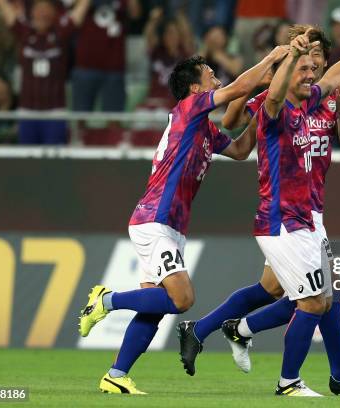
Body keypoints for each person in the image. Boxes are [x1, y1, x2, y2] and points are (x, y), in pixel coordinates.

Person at [179, 20, 340, 397]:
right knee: (313, 300)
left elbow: (333, 84)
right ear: (286, 70)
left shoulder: (314, 100)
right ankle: (289, 380)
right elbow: (242, 114)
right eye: (306, 66)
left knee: (318, 296)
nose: (313, 73)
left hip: (307, 218)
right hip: (283, 221)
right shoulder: (272, 107)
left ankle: (238, 333)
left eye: (316, 66)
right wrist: (289, 57)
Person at [77, 46, 290, 395]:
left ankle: (116, 374)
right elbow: (237, 88)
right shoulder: (189, 109)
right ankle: (106, 300)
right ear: (195, 88)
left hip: (171, 226)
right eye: (210, 75)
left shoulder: (203, 128)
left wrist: (263, 112)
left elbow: (238, 151)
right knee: (182, 299)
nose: (216, 78)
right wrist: (271, 61)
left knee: (154, 309)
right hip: (155, 219)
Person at [0, 0, 90, 144]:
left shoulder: (61, 34)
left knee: (54, 163)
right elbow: (4, 7)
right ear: (32, 13)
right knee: (27, 161)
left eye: (46, 10)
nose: (42, 14)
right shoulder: (24, 32)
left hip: (55, 113)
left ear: (54, 13)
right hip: (27, 112)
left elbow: (80, 11)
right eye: (38, 9)